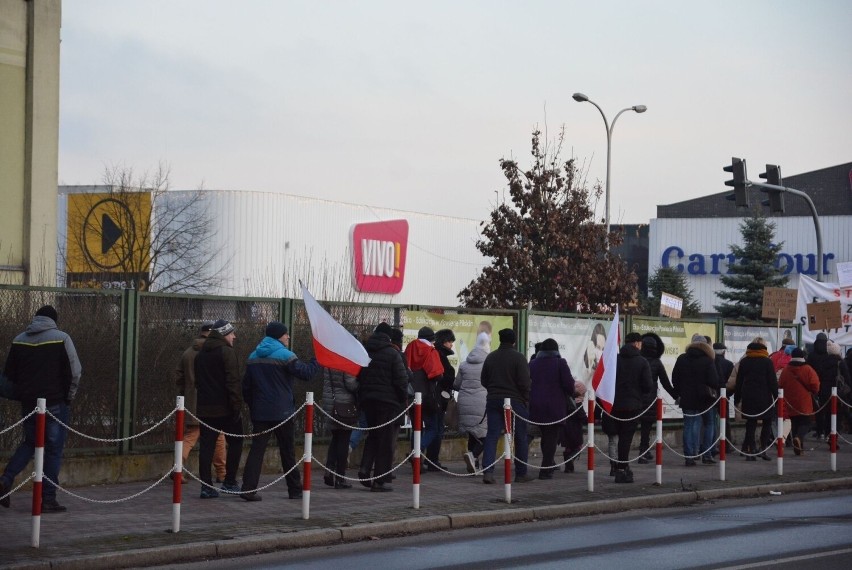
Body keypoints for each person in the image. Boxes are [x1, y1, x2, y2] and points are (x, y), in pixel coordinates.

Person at [0, 305, 81, 513]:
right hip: (55, 403)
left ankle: (6, 480)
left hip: (29, 404)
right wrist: (68, 398)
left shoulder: (19, 339)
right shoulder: (62, 338)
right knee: (53, 450)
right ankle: (47, 499)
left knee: (30, 442)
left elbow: (9, 377)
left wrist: (23, 395)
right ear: (54, 319)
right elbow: (75, 372)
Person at [241, 322, 319, 501]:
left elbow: (246, 387)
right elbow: (306, 374)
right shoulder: (286, 355)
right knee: (287, 451)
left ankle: (248, 488)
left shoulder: (253, 356)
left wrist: (253, 406)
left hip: (260, 411)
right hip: (282, 412)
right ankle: (295, 489)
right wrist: (317, 360)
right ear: (278, 336)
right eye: (286, 334)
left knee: (257, 450)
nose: (288, 337)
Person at [194, 319, 243, 498]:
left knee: (206, 447)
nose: (234, 336)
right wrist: (236, 406)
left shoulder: (200, 354)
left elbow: (197, 382)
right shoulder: (227, 352)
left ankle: (206, 486)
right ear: (224, 334)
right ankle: (230, 481)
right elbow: (233, 381)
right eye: (231, 333)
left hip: (205, 408)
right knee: (236, 441)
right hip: (226, 409)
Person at [357, 324, 409, 492]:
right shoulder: (393, 354)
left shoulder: (365, 352)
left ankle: (365, 469)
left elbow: (360, 377)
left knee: (372, 436)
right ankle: (380, 480)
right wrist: (402, 399)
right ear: (388, 337)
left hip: (368, 401)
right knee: (385, 441)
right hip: (388, 403)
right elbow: (401, 381)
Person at [174, 321, 227, 484]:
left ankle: (177, 468)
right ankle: (221, 473)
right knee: (219, 436)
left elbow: (179, 378)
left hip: (191, 401)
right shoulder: (217, 351)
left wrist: (186, 394)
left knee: (190, 436)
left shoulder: (188, 352)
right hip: (212, 401)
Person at [480, 328, 533, 484]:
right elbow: (525, 383)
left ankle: (488, 472)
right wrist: (525, 398)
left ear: (500, 339)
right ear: (514, 341)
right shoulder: (519, 358)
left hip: (493, 399)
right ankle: (521, 473)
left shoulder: (491, 357)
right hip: (515, 400)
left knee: (492, 435)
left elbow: (484, 380)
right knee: (520, 436)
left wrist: (494, 390)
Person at [607, 332, 653, 483]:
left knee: (617, 437)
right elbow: (648, 386)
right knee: (626, 438)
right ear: (637, 343)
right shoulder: (642, 361)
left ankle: (619, 467)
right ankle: (622, 468)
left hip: (615, 405)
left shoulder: (615, 359)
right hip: (633, 405)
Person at [529, 338, 574, 479]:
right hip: (554, 407)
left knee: (546, 437)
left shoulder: (532, 363)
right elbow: (569, 385)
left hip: (535, 406)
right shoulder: (560, 363)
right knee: (551, 438)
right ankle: (546, 468)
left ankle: (547, 465)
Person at [672, 333, 719, 466]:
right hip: (705, 399)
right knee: (709, 424)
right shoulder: (708, 360)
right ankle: (707, 454)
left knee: (689, 425)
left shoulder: (682, 358)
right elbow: (714, 381)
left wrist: (680, 392)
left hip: (687, 398)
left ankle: (689, 456)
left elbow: (675, 378)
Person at [403, 326, 443, 473]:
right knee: (433, 427)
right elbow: (437, 374)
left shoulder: (409, 348)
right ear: (431, 338)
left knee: (416, 429)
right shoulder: (431, 351)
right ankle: (416, 453)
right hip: (427, 395)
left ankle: (417, 464)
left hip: (411, 394)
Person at [735, 338, 777, 461]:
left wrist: (737, 399)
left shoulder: (744, 362)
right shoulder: (767, 362)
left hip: (749, 396)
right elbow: (772, 382)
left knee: (751, 424)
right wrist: (777, 397)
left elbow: (739, 382)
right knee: (767, 422)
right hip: (765, 397)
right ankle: (763, 449)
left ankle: (751, 450)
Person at [454, 331, 490, 474]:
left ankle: (473, 465)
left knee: (472, 434)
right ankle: (473, 456)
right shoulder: (488, 362)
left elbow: (456, 384)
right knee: (486, 435)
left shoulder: (464, 364)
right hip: (482, 401)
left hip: (464, 400)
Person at [638, 333, 676, 464]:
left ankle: (638, 452)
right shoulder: (657, 362)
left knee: (631, 427)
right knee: (646, 427)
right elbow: (666, 383)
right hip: (650, 399)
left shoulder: (638, 360)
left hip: (636, 397)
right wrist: (676, 396)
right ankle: (643, 451)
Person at [778, 348, 819, 455]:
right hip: (804, 400)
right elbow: (815, 386)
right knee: (806, 422)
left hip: (790, 401)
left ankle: (799, 448)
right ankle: (798, 438)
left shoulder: (786, 370)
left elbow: (781, 384)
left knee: (795, 422)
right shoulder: (808, 369)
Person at [426, 328, 456, 471]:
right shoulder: (439, 355)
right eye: (450, 341)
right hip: (437, 397)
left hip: (432, 396)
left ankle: (428, 459)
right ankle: (431, 460)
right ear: (444, 341)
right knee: (436, 428)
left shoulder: (435, 352)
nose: (451, 344)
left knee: (432, 428)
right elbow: (444, 377)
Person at [713, 342, 736, 448]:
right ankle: (727, 445)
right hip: (724, 395)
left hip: (711, 395)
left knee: (710, 421)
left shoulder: (710, 362)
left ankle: (711, 444)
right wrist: (728, 394)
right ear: (723, 352)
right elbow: (732, 383)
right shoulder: (729, 364)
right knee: (725, 421)